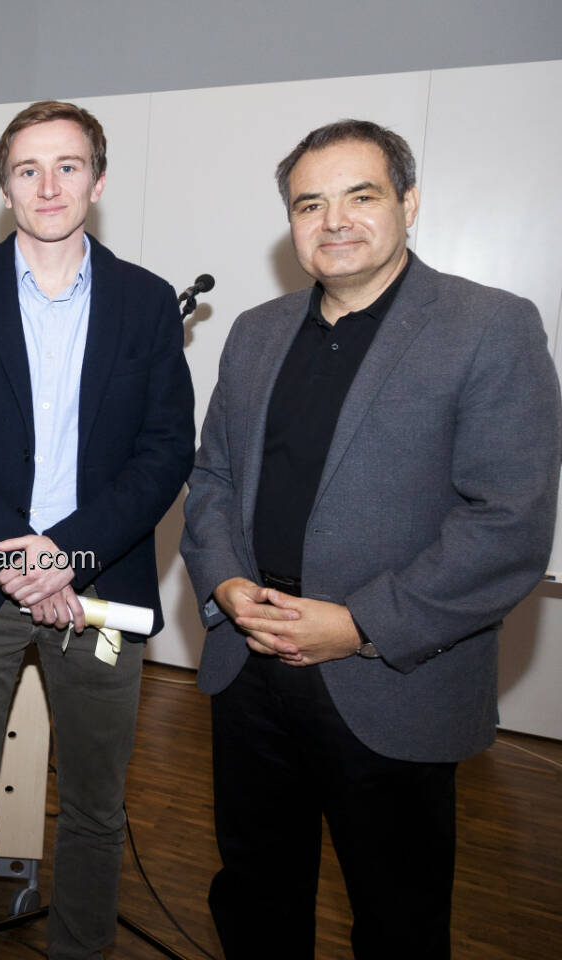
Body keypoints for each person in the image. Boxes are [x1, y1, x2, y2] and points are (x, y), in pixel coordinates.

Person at [180, 119, 562, 959]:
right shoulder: (254, 332)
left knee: (397, 920)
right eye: (309, 203)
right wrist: (225, 586)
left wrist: (357, 625)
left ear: (409, 202)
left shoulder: (488, 326)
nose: (334, 220)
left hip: (389, 679)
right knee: (255, 901)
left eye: (361, 196)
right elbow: (210, 482)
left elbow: (508, 524)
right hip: (249, 671)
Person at [0, 100, 195, 960]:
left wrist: (66, 554)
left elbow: (165, 449)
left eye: (68, 166)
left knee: (99, 808)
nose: (48, 184)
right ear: (4, 187)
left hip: (99, 594)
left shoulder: (146, 302)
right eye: (28, 169)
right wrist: (18, 548)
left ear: (97, 182)